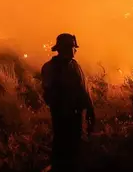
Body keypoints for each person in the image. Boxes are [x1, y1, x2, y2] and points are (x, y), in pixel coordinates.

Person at [41, 33, 95, 172]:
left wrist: (89, 109)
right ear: (65, 48)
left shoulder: (70, 66)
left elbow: (83, 90)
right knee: (65, 146)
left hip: (69, 113)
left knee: (69, 146)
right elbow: (49, 93)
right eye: (72, 47)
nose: (75, 50)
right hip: (65, 114)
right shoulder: (54, 67)